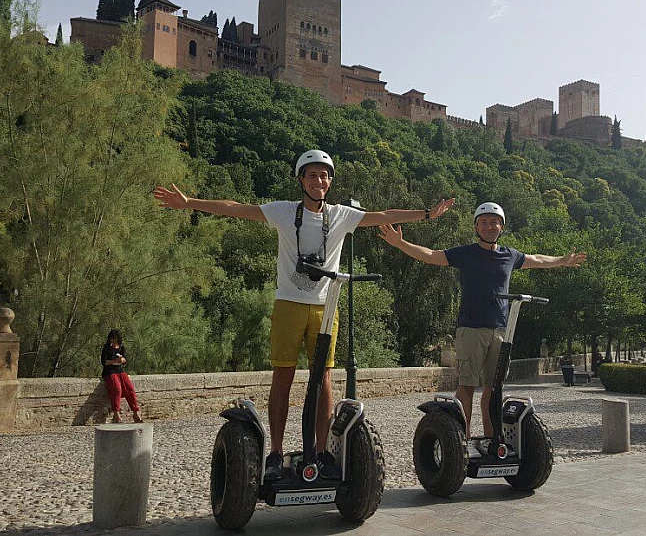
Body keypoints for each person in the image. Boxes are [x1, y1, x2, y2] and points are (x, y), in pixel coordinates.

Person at [154, 149, 453, 481]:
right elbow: (237, 209)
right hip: (288, 304)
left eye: (324, 175)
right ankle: (276, 452)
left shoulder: (341, 215)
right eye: (312, 175)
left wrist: (427, 214)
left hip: (326, 307)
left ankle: (322, 453)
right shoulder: (284, 212)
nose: (319, 181)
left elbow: (383, 215)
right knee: (282, 377)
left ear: (329, 182)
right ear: (301, 180)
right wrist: (190, 202)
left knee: (323, 379)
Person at [377, 202, 586, 443]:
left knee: (493, 388)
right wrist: (401, 244)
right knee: (466, 386)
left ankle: (491, 438)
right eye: (483, 222)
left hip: (500, 330)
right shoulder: (465, 253)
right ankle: (461, 441)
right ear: (476, 227)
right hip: (471, 329)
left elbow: (537, 258)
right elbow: (432, 256)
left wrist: (562, 260)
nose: (489, 226)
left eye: (494, 222)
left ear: (502, 226)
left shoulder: (510, 255)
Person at [101, 329, 143, 423]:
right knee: (117, 389)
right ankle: (116, 415)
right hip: (109, 371)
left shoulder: (121, 347)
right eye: (111, 338)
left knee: (130, 389)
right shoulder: (107, 348)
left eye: (114, 338)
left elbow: (124, 359)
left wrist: (122, 360)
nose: (112, 340)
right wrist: (113, 362)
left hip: (119, 370)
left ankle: (136, 413)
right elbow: (104, 362)